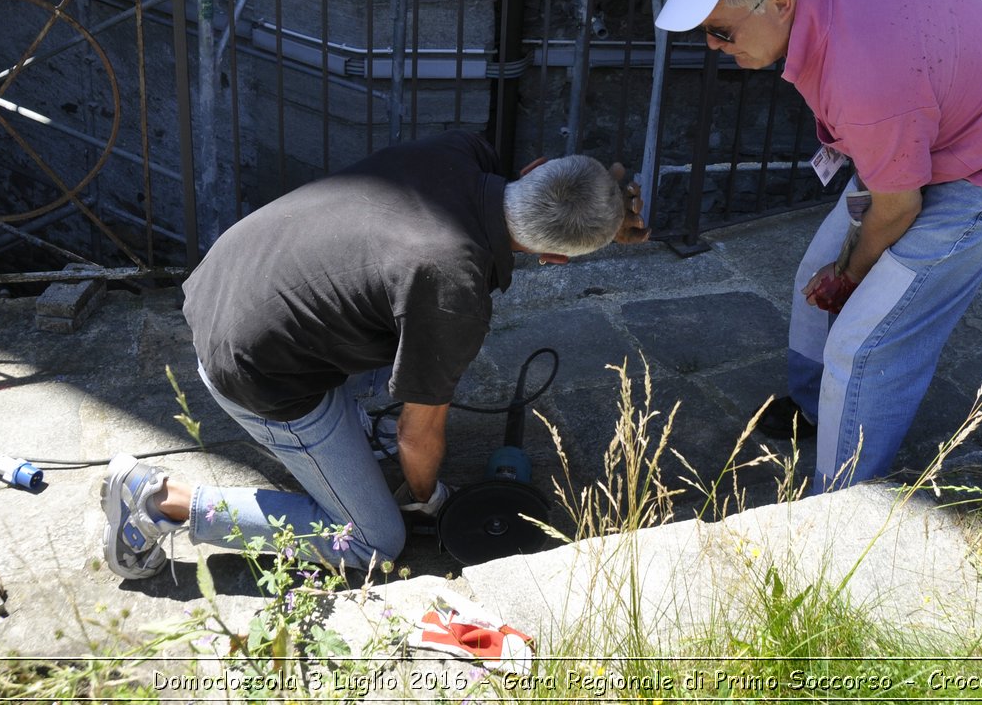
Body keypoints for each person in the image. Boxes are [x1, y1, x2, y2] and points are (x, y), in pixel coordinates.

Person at [100, 130, 646, 579]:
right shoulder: (453, 288)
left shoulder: (457, 150)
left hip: (230, 273)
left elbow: (558, 198)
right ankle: (158, 501)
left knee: (421, 340)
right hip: (252, 368)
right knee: (373, 542)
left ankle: (348, 428)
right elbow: (417, 435)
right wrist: (427, 498)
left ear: (535, 166)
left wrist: (600, 201)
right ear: (554, 259)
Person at [653, 0, 982, 492]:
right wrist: (839, 272)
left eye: (721, 32)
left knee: (867, 342)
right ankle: (814, 411)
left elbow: (896, 208)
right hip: (936, 123)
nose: (711, 45)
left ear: (778, 4)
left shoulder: (865, 79)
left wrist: (850, 273)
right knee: (813, 281)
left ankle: (843, 505)